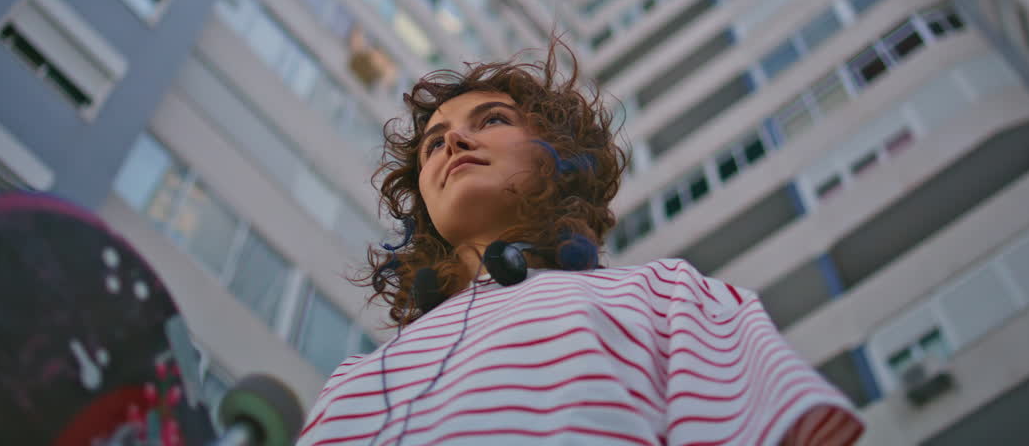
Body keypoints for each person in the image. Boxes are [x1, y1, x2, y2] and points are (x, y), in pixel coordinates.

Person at [297, 39, 864, 446]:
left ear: (560, 154)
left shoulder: (667, 294)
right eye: (433, 144)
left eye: (491, 120)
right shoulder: (351, 383)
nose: (455, 142)